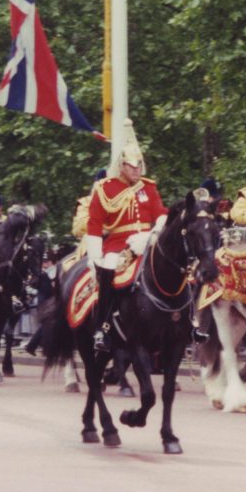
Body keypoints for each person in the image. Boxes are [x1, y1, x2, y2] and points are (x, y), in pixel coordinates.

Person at [85, 120, 167, 352]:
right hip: (118, 246)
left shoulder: (149, 188)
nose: (136, 170)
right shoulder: (106, 188)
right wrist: (94, 257)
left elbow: (161, 213)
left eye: (139, 165)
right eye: (131, 166)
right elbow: (94, 224)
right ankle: (103, 327)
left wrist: (156, 229)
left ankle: (187, 323)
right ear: (122, 165)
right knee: (108, 272)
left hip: (147, 242)